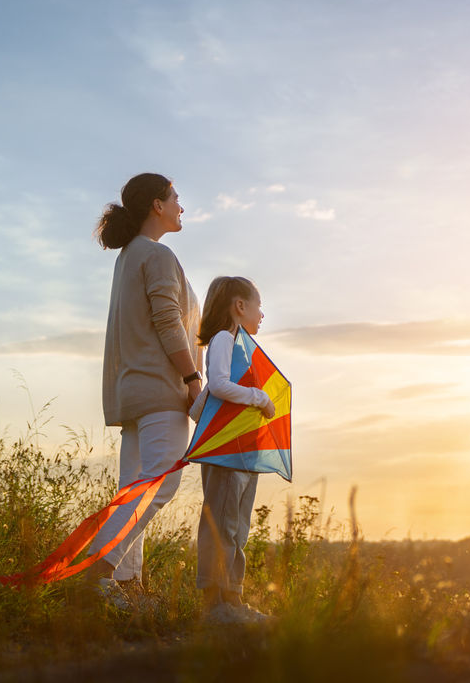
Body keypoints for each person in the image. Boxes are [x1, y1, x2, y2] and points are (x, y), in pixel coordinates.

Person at [87, 173, 202, 609]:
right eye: (175, 198)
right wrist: (192, 379)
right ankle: (100, 573)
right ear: (157, 205)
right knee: (160, 484)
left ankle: (124, 584)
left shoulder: (129, 256)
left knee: (134, 488)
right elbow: (167, 321)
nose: (180, 206)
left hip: (131, 391)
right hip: (160, 389)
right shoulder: (156, 254)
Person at [189, 276, 276, 624]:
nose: (263, 314)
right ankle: (216, 604)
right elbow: (219, 385)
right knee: (222, 522)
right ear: (239, 306)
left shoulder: (241, 347)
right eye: (258, 305)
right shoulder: (224, 339)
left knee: (237, 525)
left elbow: (210, 397)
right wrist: (261, 398)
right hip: (225, 452)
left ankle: (233, 599)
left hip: (242, 452)